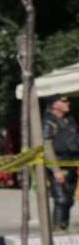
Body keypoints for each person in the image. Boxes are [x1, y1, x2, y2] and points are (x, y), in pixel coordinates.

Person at [42, 95, 79, 231]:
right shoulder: (49, 122)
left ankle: (63, 227)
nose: (68, 103)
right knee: (61, 199)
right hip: (58, 165)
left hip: (72, 164)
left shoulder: (69, 120)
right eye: (64, 101)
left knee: (69, 200)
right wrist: (55, 170)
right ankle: (58, 231)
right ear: (54, 104)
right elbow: (47, 147)